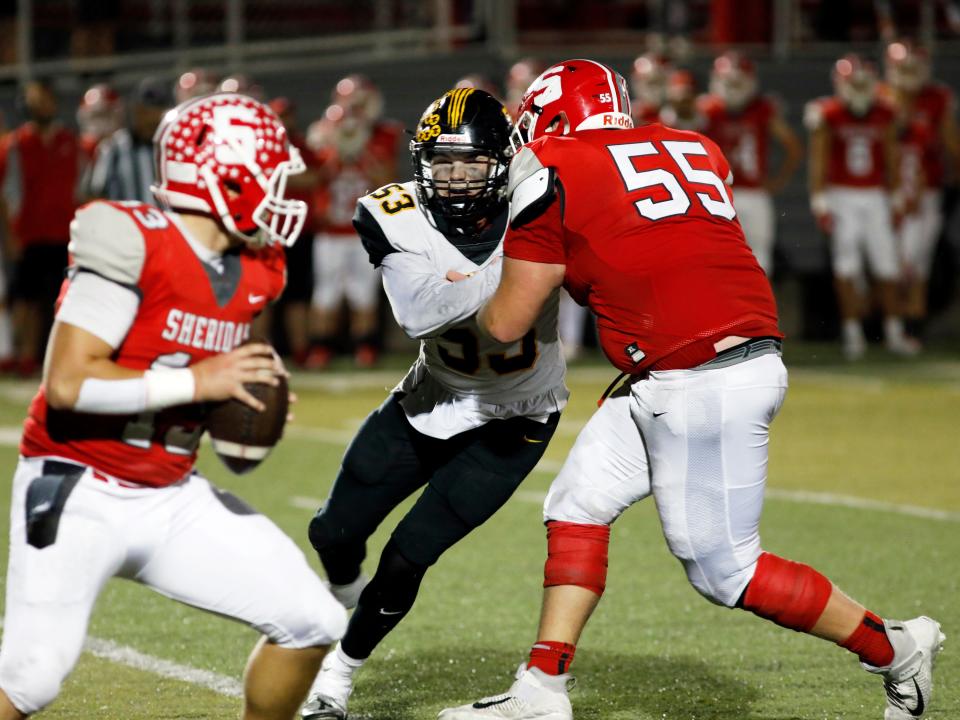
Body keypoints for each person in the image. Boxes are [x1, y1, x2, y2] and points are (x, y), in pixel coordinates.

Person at [438, 59, 944, 720]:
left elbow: (506, 323)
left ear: (551, 117)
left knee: (725, 573)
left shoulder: (554, 163)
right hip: (700, 361)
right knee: (578, 497)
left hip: (699, 379)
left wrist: (456, 300)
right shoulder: (692, 145)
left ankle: (897, 648)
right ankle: (541, 688)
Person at [0, 92, 347, 720]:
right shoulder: (129, 236)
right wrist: (200, 385)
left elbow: (212, 373)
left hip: (168, 490)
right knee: (31, 679)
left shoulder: (258, 267)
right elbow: (68, 384)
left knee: (312, 618)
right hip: (78, 487)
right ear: (225, 174)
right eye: (267, 175)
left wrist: (240, 400)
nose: (278, 192)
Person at [299, 88, 568, 720]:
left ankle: (336, 677)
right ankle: (344, 590)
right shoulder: (393, 212)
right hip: (431, 398)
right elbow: (421, 312)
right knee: (332, 531)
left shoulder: (544, 201)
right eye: (441, 161)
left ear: (502, 160)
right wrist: (522, 268)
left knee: (409, 555)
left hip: (519, 417)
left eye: (470, 163)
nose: (452, 177)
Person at [806, 54, 918, 360]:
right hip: (841, 194)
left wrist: (896, 196)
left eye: (862, 83)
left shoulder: (885, 112)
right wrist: (819, 200)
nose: (857, 89)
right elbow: (819, 158)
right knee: (847, 267)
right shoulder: (828, 113)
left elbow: (892, 157)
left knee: (887, 265)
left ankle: (894, 332)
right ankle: (852, 334)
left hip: (875, 196)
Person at [305, 75, 401, 369]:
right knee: (326, 292)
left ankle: (365, 348)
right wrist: (335, 150)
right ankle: (320, 348)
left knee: (364, 293)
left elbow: (387, 179)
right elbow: (312, 178)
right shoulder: (322, 132)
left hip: (364, 228)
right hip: (331, 229)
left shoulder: (383, 134)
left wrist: (363, 151)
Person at [1, 79, 83, 376]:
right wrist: (10, 235)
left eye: (44, 99)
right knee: (24, 298)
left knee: (59, 297)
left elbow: (82, 189)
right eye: (34, 100)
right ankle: (22, 355)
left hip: (64, 233)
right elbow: (5, 194)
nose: (40, 105)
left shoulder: (71, 142)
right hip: (29, 233)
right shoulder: (15, 144)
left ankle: (48, 356)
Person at [881, 40, 960, 343]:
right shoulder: (879, 98)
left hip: (926, 191)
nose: (909, 74)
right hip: (886, 193)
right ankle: (890, 326)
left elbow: (951, 146)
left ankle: (909, 327)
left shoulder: (936, 100)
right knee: (890, 262)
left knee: (917, 262)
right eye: (905, 67)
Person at [701, 51, 802, 276]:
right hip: (719, 195)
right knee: (717, 258)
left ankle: (758, 310)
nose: (734, 88)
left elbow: (792, 146)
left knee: (760, 258)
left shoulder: (762, 110)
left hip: (751, 193)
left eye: (738, 82)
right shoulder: (707, 110)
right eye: (729, 82)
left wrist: (778, 180)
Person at [87, 76, 173, 204]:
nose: (151, 119)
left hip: (172, 222)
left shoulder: (174, 146)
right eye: (144, 112)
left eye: (157, 112)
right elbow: (95, 194)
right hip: (126, 223)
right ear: (134, 111)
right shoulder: (112, 148)